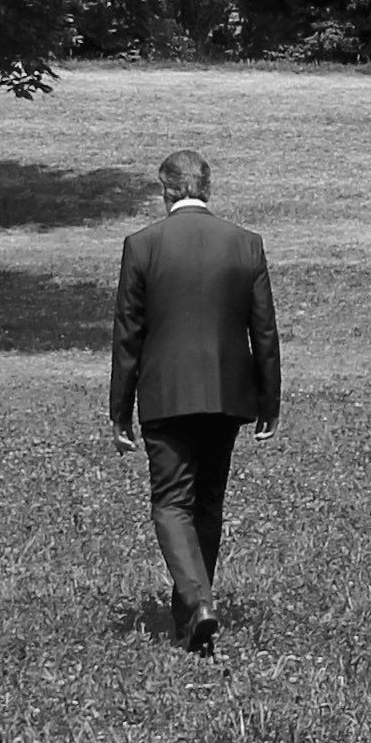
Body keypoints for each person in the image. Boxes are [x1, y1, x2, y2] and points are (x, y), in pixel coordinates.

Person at [108, 148, 280, 655]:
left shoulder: (142, 245)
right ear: (207, 187)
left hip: (165, 394)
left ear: (166, 191)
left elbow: (127, 336)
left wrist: (119, 410)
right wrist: (269, 403)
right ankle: (191, 624)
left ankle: (198, 602)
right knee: (207, 502)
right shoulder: (246, 244)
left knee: (170, 502)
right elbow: (264, 331)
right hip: (228, 394)